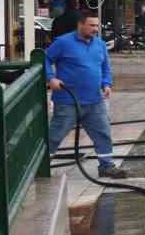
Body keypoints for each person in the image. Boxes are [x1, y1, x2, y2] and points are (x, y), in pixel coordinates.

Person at [44, 11, 128, 178]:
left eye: (97, 25)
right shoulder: (63, 42)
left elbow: (105, 67)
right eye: (92, 25)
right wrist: (50, 78)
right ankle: (42, 166)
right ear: (80, 24)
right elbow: (45, 59)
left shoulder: (100, 44)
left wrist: (106, 84)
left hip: (94, 101)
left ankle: (106, 166)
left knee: (103, 133)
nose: (95, 29)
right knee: (55, 135)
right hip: (68, 101)